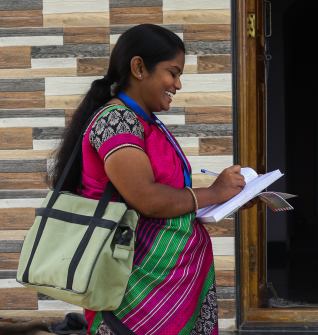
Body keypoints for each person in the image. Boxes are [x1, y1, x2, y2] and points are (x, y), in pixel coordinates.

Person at [47, 24, 255, 334]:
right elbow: (147, 198)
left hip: (170, 287)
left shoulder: (145, 122)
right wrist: (214, 192)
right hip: (136, 293)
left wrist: (228, 199)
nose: (178, 84)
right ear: (139, 67)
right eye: (173, 73)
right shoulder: (116, 120)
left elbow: (168, 198)